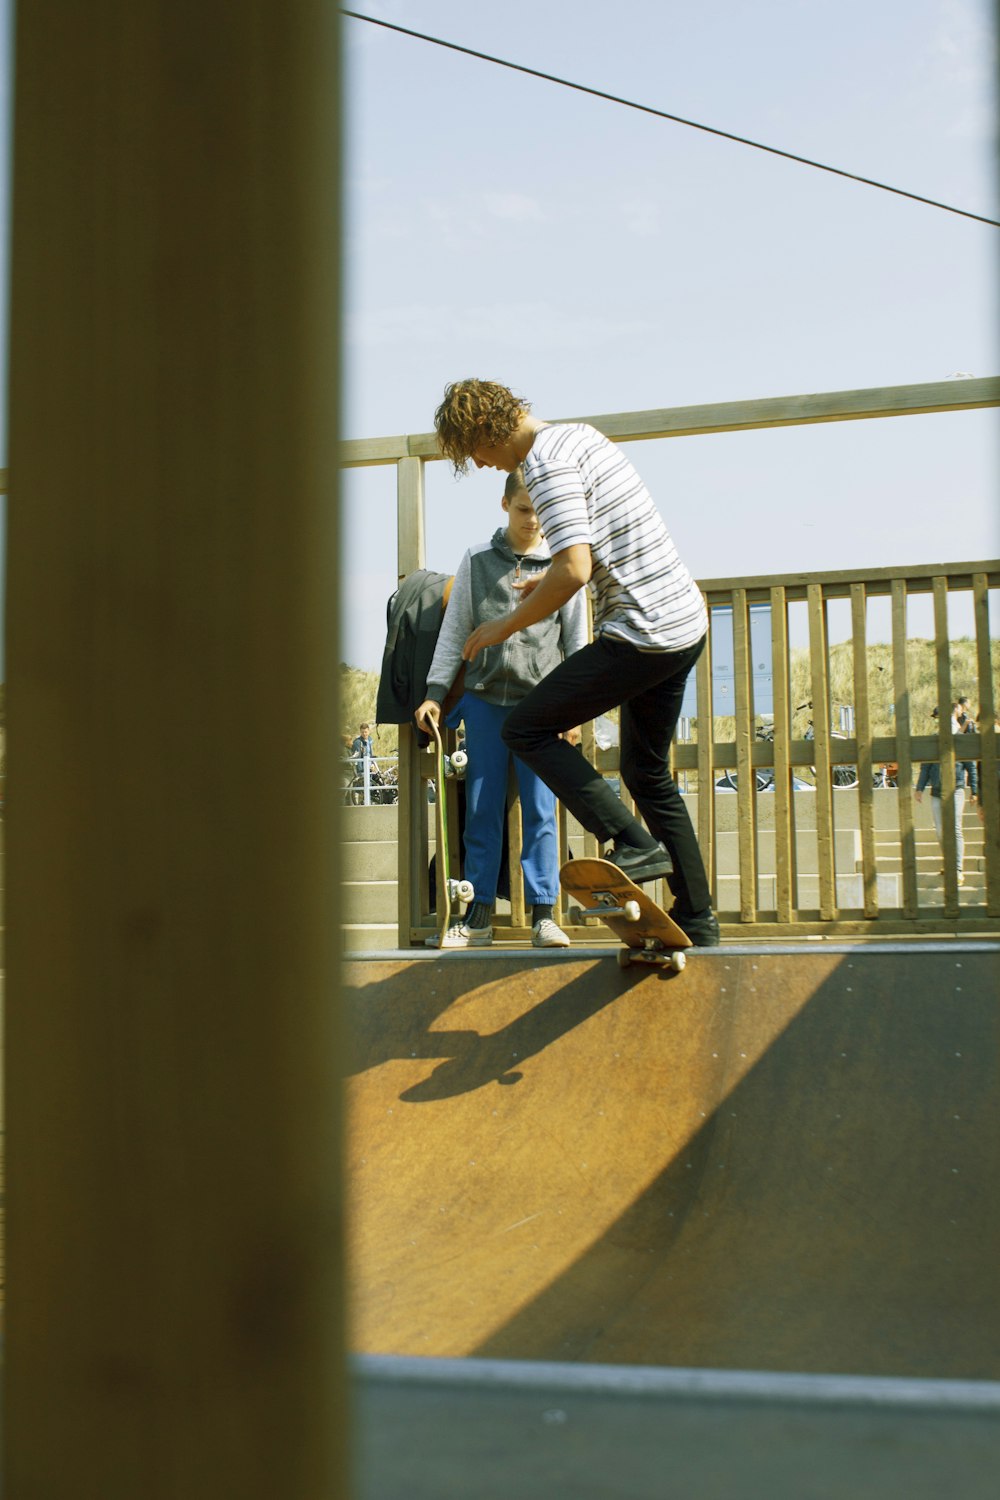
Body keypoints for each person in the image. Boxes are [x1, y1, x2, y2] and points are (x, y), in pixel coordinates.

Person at [433, 378, 719, 947]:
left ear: (487, 431)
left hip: (641, 631)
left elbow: (575, 570)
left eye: (477, 453)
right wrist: (552, 578)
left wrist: (502, 625)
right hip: (684, 622)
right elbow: (595, 548)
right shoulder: (580, 439)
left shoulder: (544, 468)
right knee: (647, 774)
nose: (485, 465)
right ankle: (699, 918)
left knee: (526, 727)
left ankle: (632, 843)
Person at [416, 468, 588, 948]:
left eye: (538, 511)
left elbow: (577, 643)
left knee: (540, 811)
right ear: (505, 505)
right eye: (522, 509)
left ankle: (543, 916)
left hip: (544, 706)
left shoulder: (564, 562)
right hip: (485, 701)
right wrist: (434, 691)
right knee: (481, 808)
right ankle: (478, 918)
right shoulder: (476, 560)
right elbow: (454, 633)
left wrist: (573, 711)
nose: (531, 520)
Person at [914, 708, 978, 886]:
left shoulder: (959, 740)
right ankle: (949, 862)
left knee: (955, 829)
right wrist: (919, 788)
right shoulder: (933, 741)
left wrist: (974, 790)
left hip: (956, 790)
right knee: (941, 831)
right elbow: (926, 766)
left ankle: (957, 869)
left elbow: (971, 766)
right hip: (936, 792)